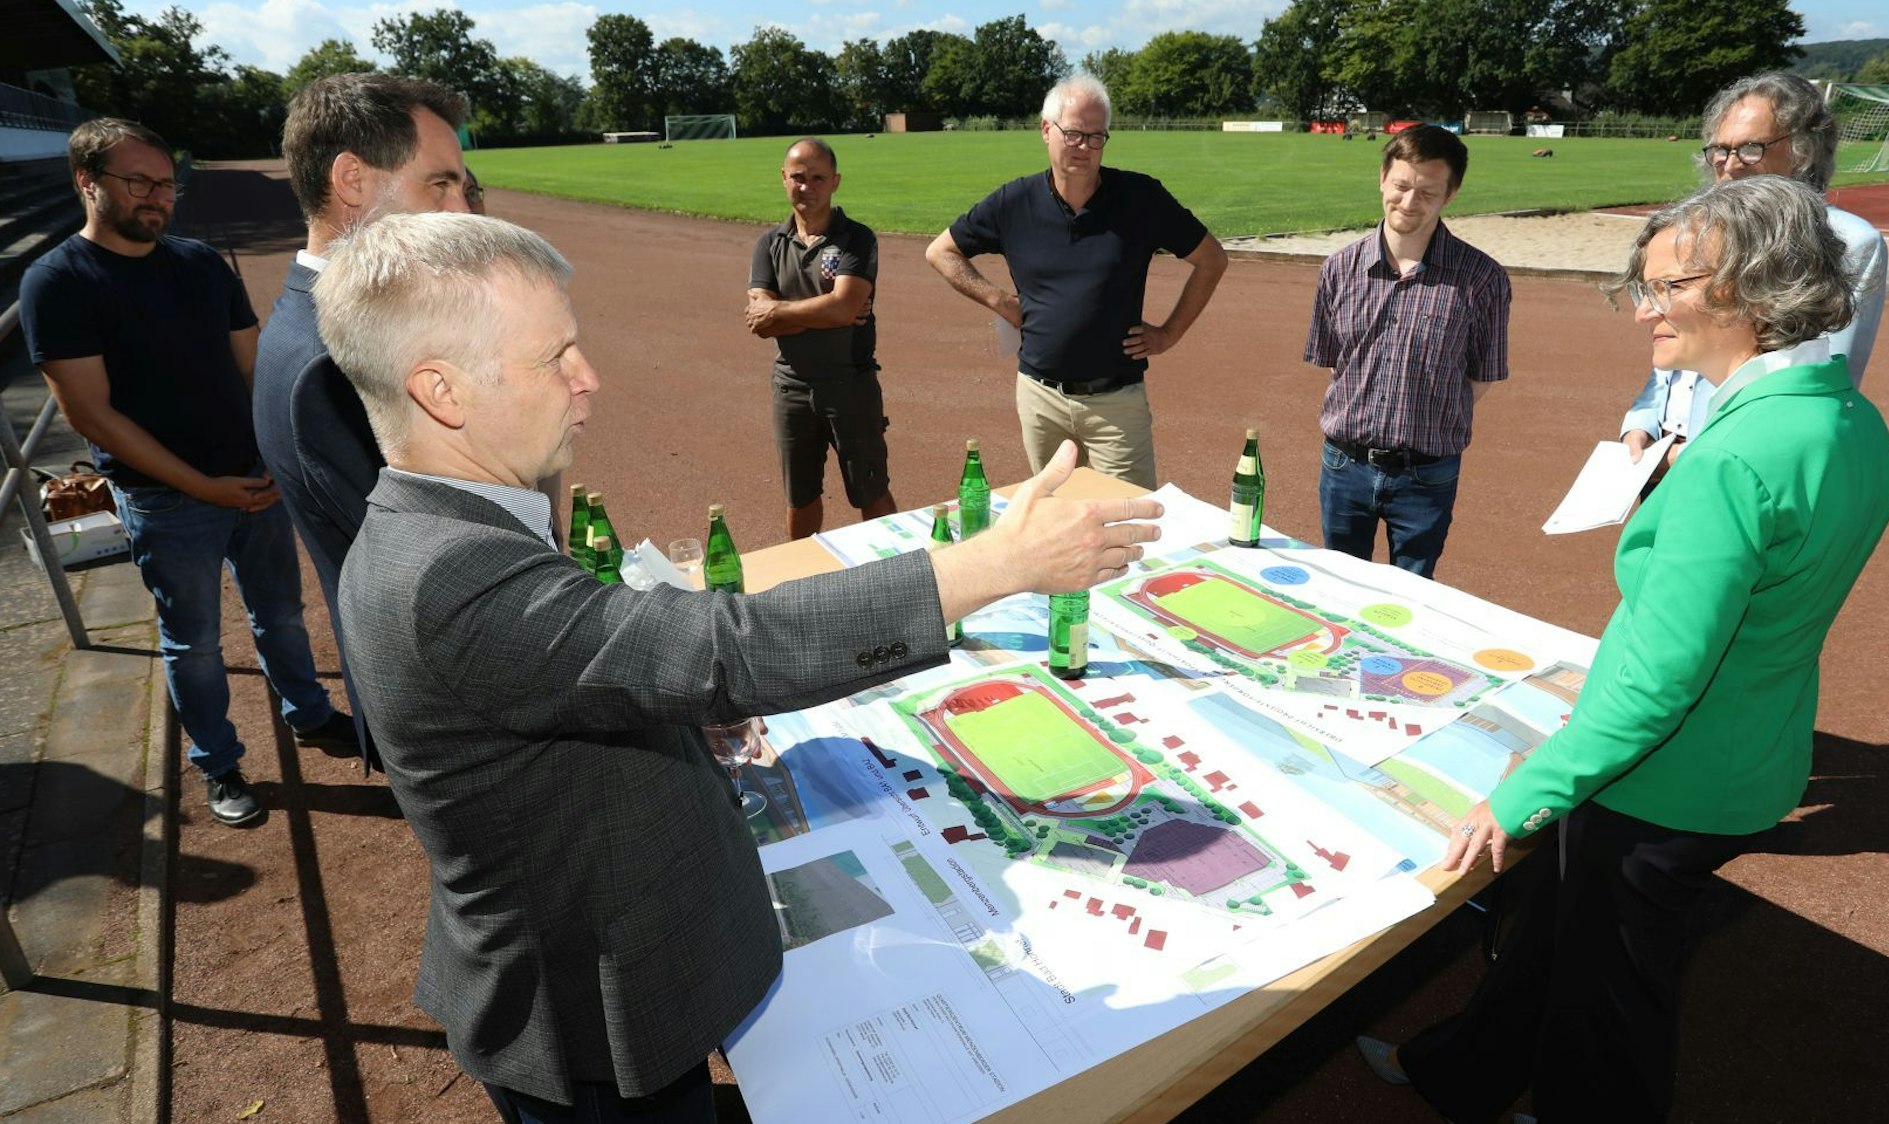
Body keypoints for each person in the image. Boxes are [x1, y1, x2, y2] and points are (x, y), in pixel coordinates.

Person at [313, 211, 1163, 1122]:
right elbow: (719, 649)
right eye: (552, 358)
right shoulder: (447, 571)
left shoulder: (452, 521)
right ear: (441, 391)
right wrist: (997, 565)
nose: (586, 377)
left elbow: (588, 665)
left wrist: (671, 702)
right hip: (592, 1019)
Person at [1355, 176, 1889, 1123]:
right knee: (1559, 936)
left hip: (1665, 782)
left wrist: (1529, 790)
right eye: (1643, 286)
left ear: (1750, 287)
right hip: (1740, 753)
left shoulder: (1736, 456)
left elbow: (1658, 682)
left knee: (1610, 1010)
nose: (1646, 309)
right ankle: (1464, 1070)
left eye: (1670, 287)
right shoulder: (1847, 420)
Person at [19, 119, 356, 826]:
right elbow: (91, 414)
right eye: (137, 182)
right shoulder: (56, 282)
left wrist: (276, 455)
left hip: (255, 479)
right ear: (87, 182)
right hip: (168, 502)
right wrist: (200, 486)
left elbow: (253, 364)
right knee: (194, 642)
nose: (156, 197)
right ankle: (220, 764)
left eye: (165, 183)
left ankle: (310, 714)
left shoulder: (201, 263)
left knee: (282, 616)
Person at [252, 73, 472, 764]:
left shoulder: (324, 328)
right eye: (440, 184)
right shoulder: (331, 361)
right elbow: (449, 571)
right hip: (455, 712)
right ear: (352, 180)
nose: (463, 209)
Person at [926, 74, 1228, 489]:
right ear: (1046, 131)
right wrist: (999, 300)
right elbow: (940, 251)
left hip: (1116, 405)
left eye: (1095, 136)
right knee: (1054, 523)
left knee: (1126, 522)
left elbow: (1212, 259)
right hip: (1040, 398)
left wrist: (1170, 333)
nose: (1084, 147)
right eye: (1073, 134)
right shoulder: (1013, 202)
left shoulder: (1141, 199)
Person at [1620, 71, 1888, 469]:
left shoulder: (1846, 240)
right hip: (1664, 455)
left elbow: (1817, 378)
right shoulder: (1700, 229)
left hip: (1741, 459)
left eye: (1749, 148)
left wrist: (1692, 455)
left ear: (1804, 150)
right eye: (1719, 150)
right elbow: (1678, 336)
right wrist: (1642, 421)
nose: (1730, 165)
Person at [1304, 125, 1510, 578]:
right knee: (1337, 589)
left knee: (1413, 600)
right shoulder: (1339, 269)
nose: (1409, 203)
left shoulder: (1482, 279)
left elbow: (1483, 374)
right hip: (1343, 464)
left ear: (1450, 194)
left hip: (1426, 473)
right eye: (1400, 186)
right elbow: (1337, 362)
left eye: (1427, 192)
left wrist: (1425, 411)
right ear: (1382, 177)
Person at [745, 138, 898, 539]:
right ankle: (802, 582)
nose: (806, 186)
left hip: (850, 384)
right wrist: (827, 311)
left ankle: (899, 578)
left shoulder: (857, 239)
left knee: (872, 492)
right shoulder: (769, 244)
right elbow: (760, 322)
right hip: (790, 386)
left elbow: (844, 309)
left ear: (835, 182)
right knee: (800, 497)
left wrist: (784, 311)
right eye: (797, 177)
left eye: (817, 178)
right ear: (783, 179)